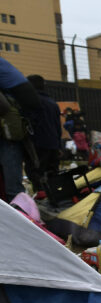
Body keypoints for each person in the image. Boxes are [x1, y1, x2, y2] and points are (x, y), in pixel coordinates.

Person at [0, 56, 40, 200]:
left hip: (9, 132)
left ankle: (18, 215)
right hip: (14, 126)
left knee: (12, 188)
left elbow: (3, 106)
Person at [24, 75, 61, 193]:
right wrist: (59, 145)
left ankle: (40, 196)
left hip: (38, 144)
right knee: (53, 174)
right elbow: (57, 127)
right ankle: (55, 198)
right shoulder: (53, 103)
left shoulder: (31, 102)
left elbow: (29, 123)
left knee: (35, 172)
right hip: (53, 144)